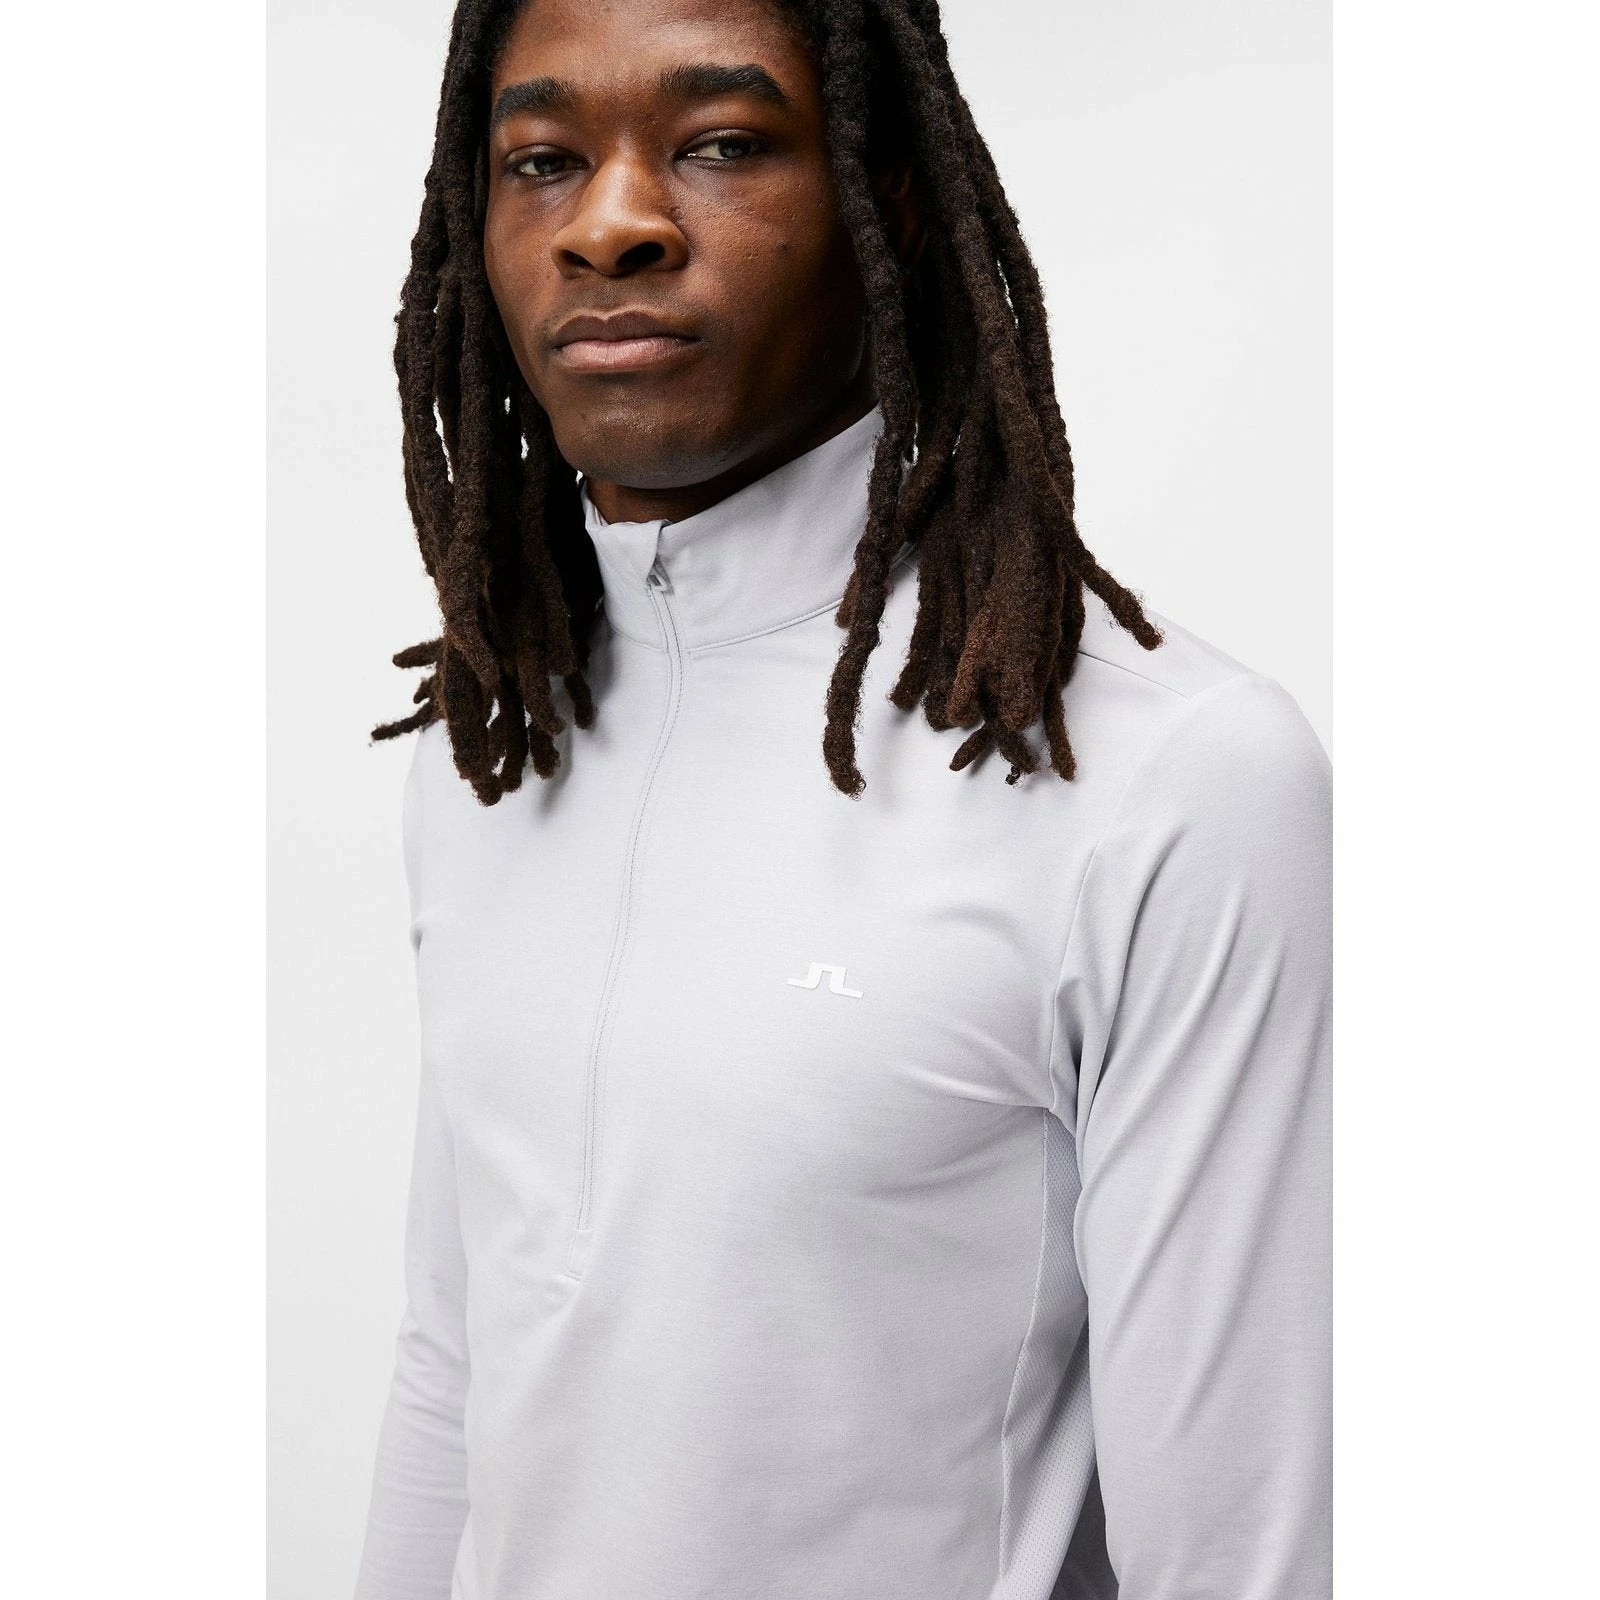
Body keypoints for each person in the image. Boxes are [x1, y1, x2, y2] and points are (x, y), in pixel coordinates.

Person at [355, 0, 1331, 1596]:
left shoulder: (1171, 781)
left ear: (896, 202)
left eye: (721, 143)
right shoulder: (494, 751)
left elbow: (1241, 1548)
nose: (611, 223)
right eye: (542, 160)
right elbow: (453, 1374)